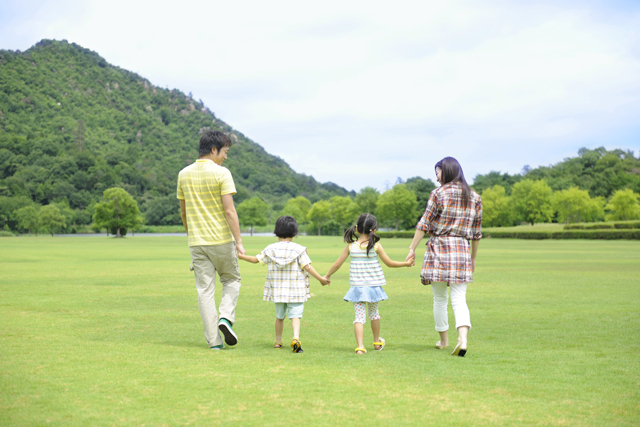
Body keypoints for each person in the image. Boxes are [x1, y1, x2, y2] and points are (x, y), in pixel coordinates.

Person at [406, 157, 482, 357]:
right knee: (460, 298)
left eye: (438, 173)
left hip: (439, 248)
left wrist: (412, 248)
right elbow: (476, 233)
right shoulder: (474, 197)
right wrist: (473, 258)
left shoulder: (438, 194)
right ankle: (463, 339)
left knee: (439, 299)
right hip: (462, 250)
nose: (436, 177)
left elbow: (423, 224)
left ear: (447, 171)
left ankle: (444, 340)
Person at [177, 130, 245, 350]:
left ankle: (214, 342)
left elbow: (184, 213)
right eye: (225, 151)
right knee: (232, 280)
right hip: (221, 240)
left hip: (196, 242)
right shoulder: (222, 173)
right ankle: (225, 318)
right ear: (214, 149)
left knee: (204, 291)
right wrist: (239, 241)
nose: (225, 156)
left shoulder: (183, 174)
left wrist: (192, 235)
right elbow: (229, 211)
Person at [238, 216, 329, 353]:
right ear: (294, 232)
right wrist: (321, 279)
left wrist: (240, 256)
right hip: (296, 291)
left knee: (280, 317)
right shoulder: (298, 249)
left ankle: (278, 341)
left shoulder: (271, 249)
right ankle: (295, 337)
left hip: (278, 291)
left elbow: (255, 260)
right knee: (295, 316)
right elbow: (307, 267)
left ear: (277, 231)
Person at [324, 213, 412, 355]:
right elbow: (389, 263)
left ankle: (360, 346)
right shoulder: (376, 246)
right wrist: (406, 264)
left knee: (359, 318)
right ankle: (377, 342)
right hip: (373, 287)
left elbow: (337, 264)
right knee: (374, 314)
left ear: (357, 229)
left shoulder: (351, 246)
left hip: (358, 288)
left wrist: (327, 276)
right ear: (374, 230)